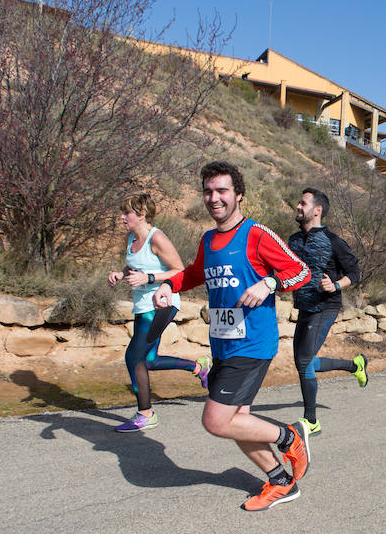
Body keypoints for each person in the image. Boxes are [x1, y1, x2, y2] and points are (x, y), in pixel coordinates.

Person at [153, 161, 313, 511]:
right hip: (224, 343)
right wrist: (168, 284)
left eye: (222, 190)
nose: (214, 198)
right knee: (239, 421)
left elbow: (300, 270)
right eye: (208, 191)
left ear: (238, 195)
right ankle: (281, 482)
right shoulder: (209, 239)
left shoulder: (255, 234)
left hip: (253, 344)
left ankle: (290, 437)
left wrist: (269, 282)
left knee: (216, 420)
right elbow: (195, 273)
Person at [107, 193, 210, 433]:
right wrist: (121, 274)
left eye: (127, 213)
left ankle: (146, 414)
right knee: (149, 360)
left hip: (162, 304)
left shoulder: (158, 238)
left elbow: (180, 271)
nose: (122, 217)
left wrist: (149, 277)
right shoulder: (131, 237)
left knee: (135, 357)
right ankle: (198, 367)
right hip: (142, 306)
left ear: (141, 214)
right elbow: (134, 265)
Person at [287, 188, 366, 436]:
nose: (298, 206)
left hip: (326, 306)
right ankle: (355, 366)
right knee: (304, 361)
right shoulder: (294, 240)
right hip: (305, 306)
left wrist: (335, 285)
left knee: (303, 361)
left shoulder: (333, 241)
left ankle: (311, 421)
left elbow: (355, 273)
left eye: (303, 203)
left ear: (317, 210)